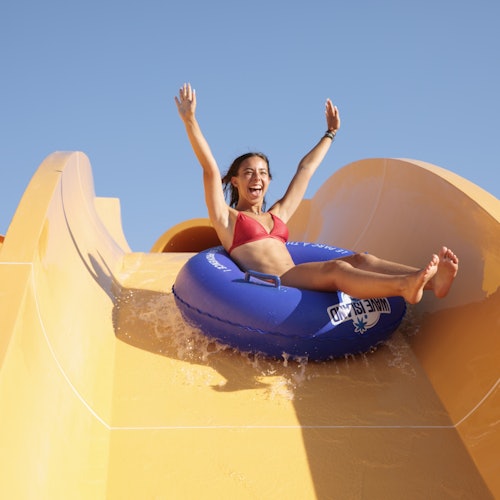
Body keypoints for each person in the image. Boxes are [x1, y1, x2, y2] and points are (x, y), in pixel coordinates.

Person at [175, 83, 458, 304]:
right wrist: (190, 121)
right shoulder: (228, 218)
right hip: (278, 281)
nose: (256, 178)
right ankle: (405, 286)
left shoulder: (278, 214)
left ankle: (432, 281)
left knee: (362, 260)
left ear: (269, 180)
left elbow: (305, 170)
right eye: (248, 172)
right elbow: (210, 169)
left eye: (262, 172)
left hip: (296, 274)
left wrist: (330, 133)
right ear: (235, 181)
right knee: (336, 270)